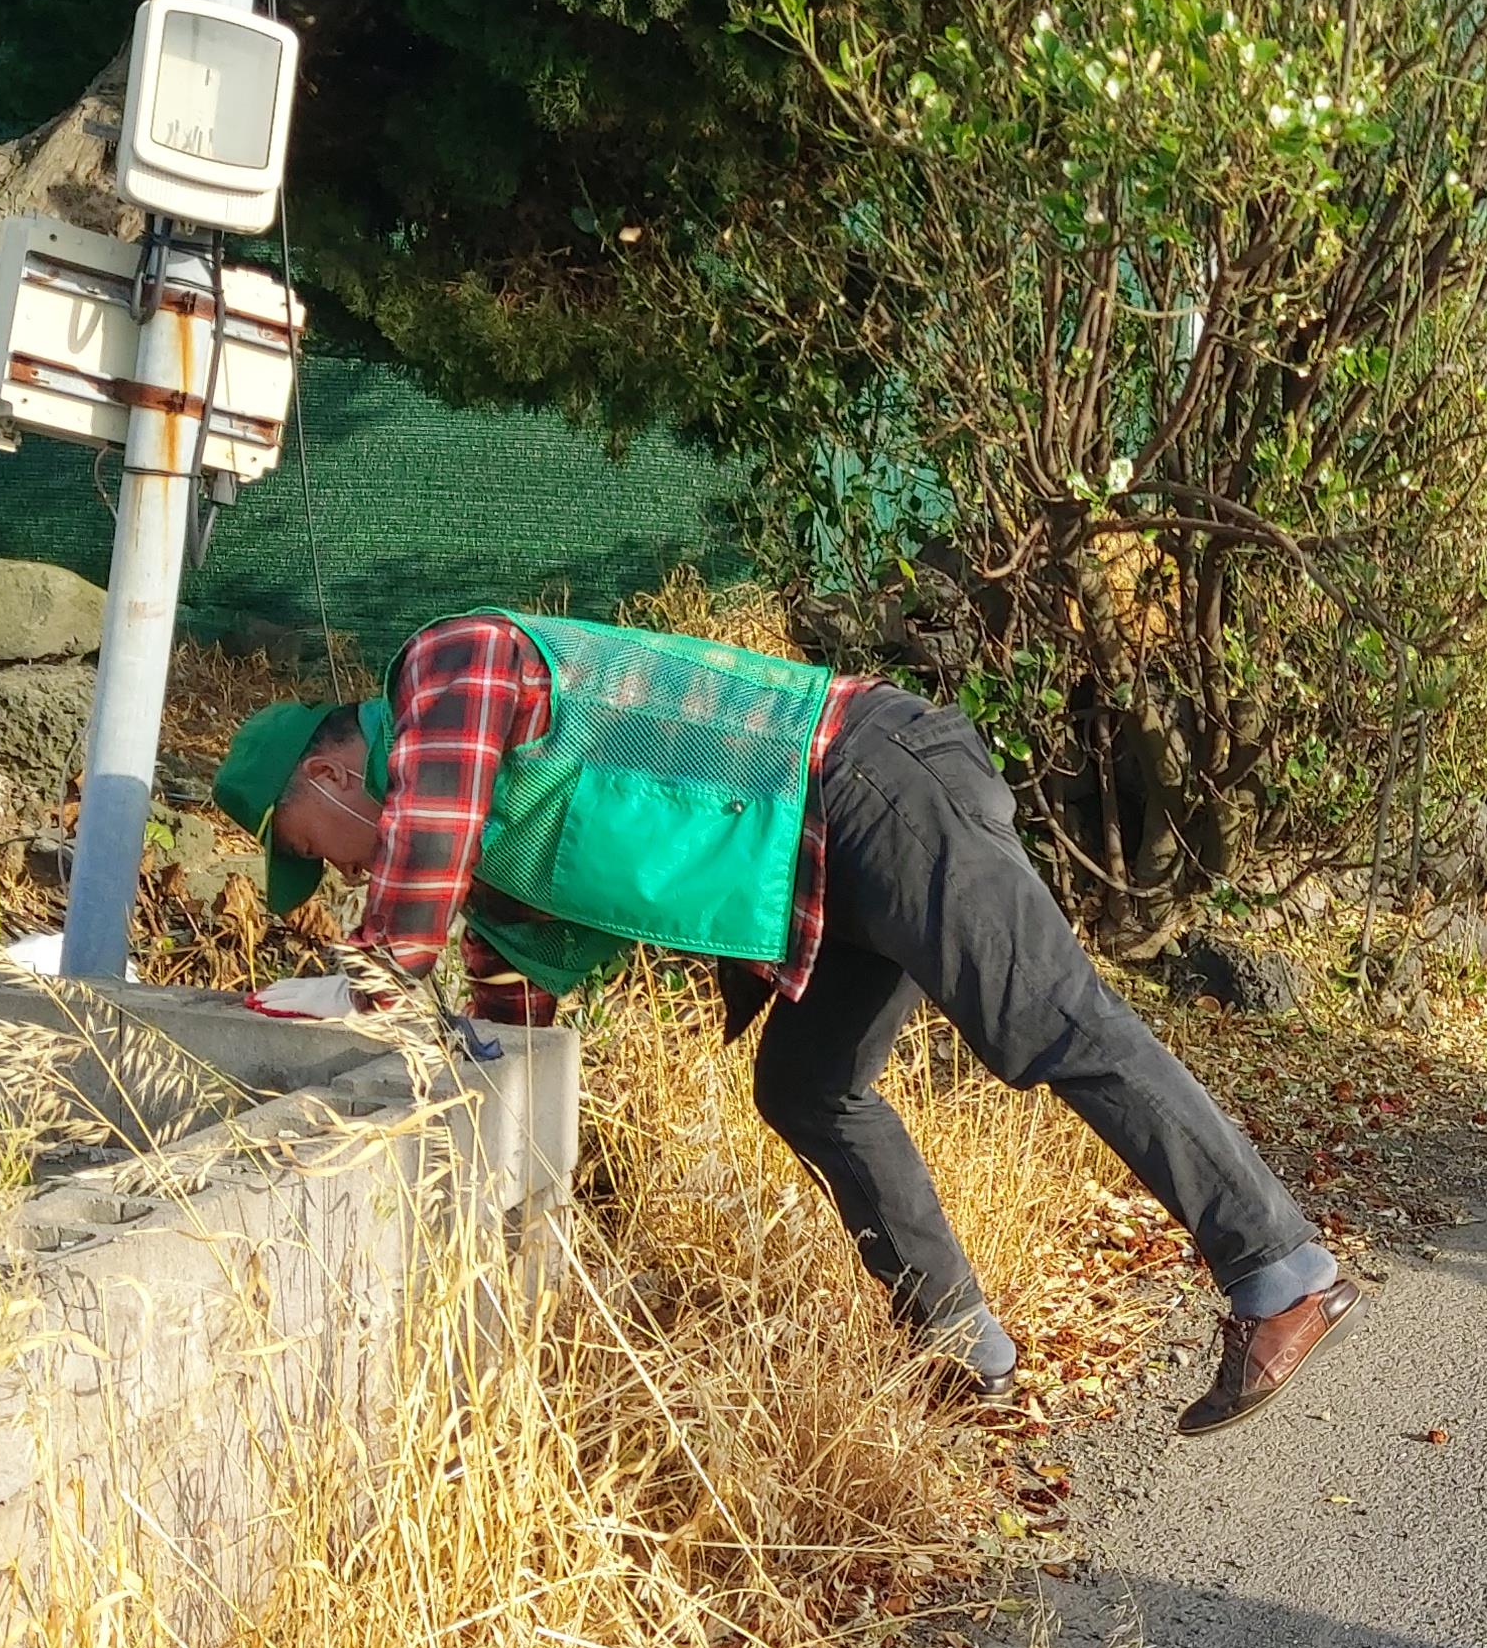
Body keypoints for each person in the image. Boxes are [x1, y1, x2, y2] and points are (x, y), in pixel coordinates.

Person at [209, 611, 1356, 1434]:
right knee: (807, 1087)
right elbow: (505, 1015)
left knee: (1053, 1022)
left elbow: (417, 867)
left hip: (867, 780)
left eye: (312, 851)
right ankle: (967, 1358)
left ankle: (1278, 1270)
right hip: (817, 876)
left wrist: (366, 981)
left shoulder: (451, 668)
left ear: (326, 774)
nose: (335, 879)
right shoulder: (491, 861)